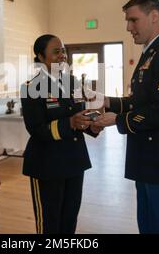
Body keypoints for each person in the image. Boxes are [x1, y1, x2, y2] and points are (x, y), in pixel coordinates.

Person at [94, 0, 159, 234]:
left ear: (154, 16)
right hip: (147, 159)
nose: (129, 27)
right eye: (128, 21)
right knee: (149, 226)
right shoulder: (151, 53)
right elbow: (139, 101)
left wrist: (117, 120)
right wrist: (106, 101)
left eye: (133, 20)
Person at [20, 34, 103, 234]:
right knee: (50, 221)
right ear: (41, 57)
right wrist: (70, 123)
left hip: (75, 160)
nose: (62, 56)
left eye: (63, 51)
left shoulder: (72, 83)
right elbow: (36, 129)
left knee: (69, 217)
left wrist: (92, 126)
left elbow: (78, 115)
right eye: (56, 51)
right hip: (47, 164)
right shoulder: (31, 88)